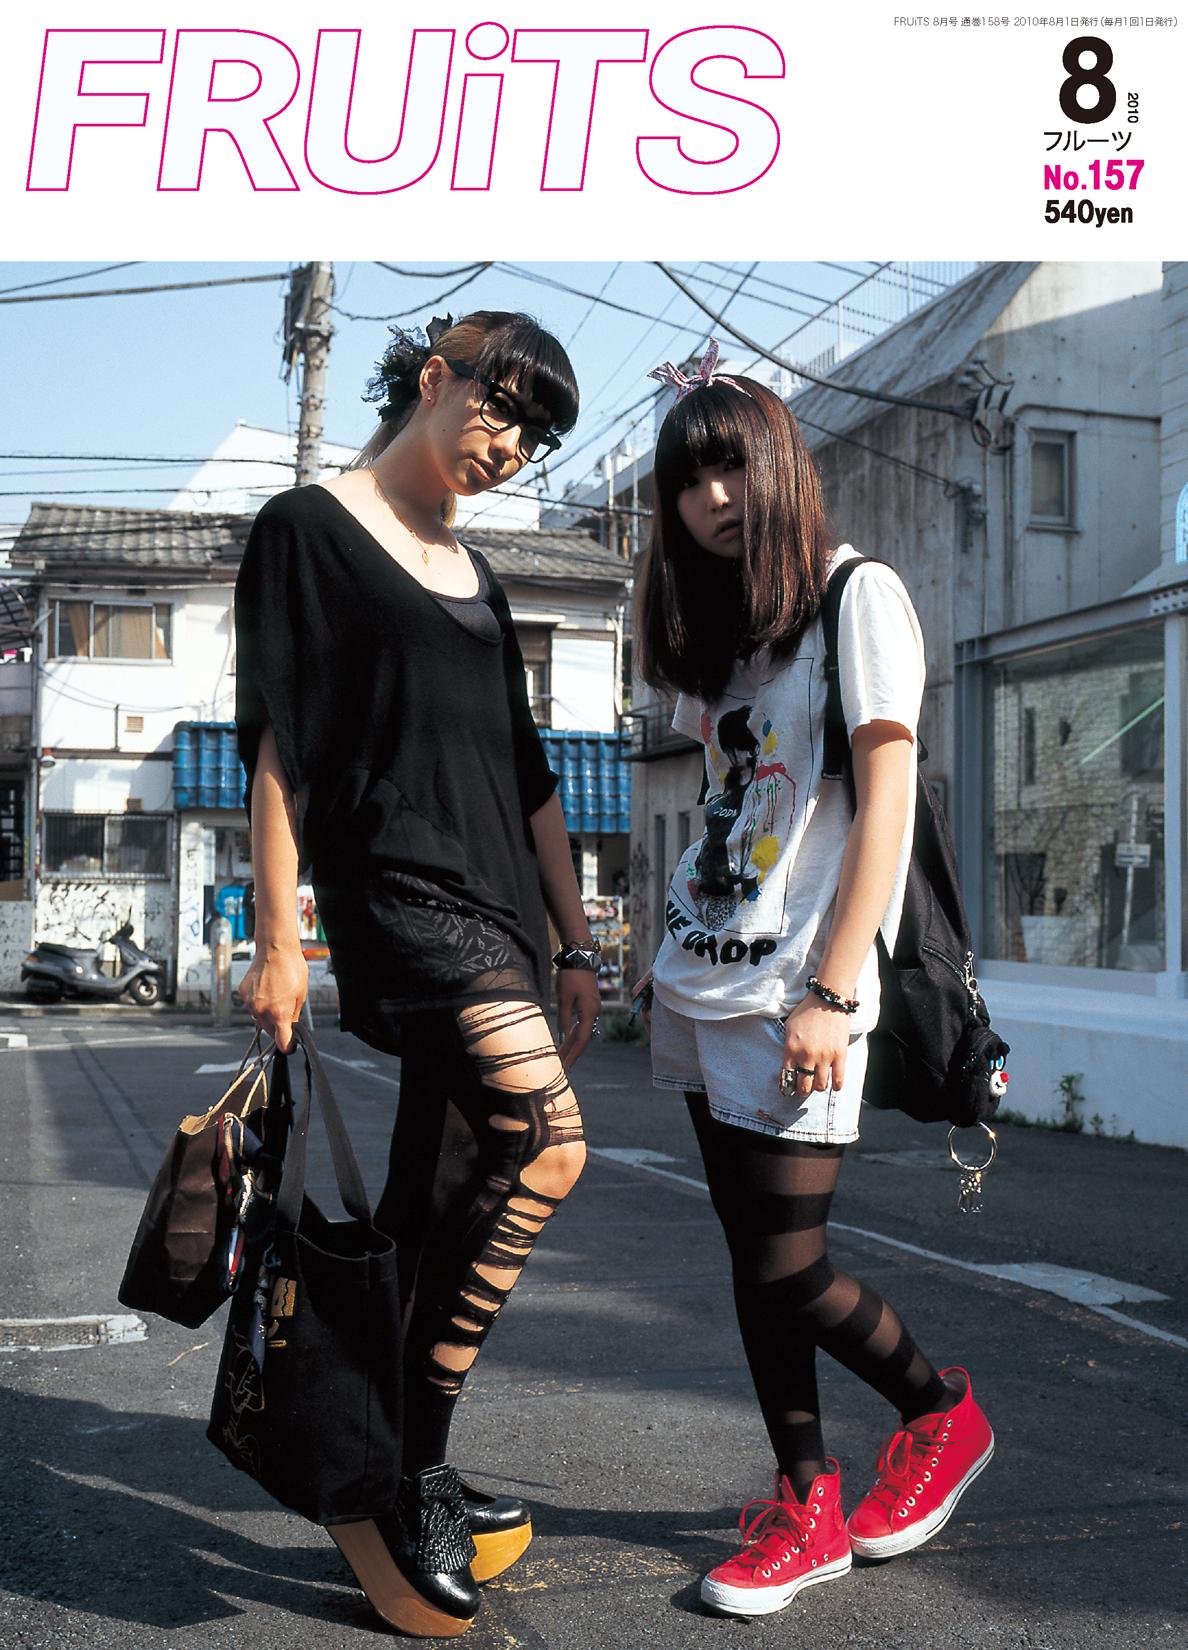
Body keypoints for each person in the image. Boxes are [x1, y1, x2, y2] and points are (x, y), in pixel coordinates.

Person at [234, 311, 599, 1638]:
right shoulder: (308, 530)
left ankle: (380, 1448)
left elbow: (532, 774)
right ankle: (410, 1472)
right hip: (399, 898)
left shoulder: (477, 575)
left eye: (536, 435)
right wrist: (281, 941)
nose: (512, 446)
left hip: (502, 917)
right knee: (549, 1142)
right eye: (501, 408)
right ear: (435, 377)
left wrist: (574, 938)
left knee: (439, 1196)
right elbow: (279, 745)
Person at [632, 344, 994, 1621]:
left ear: (782, 466)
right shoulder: (731, 636)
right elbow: (737, 806)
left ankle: (940, 1413)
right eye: (689, 482)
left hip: (801, 992)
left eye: (733, 468)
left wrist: (835, 994)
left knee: (790, 1264)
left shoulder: (858, 596)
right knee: (755, 1262)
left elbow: (887, 802)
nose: (714, 498)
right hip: (705, 981)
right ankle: (808, 1503)